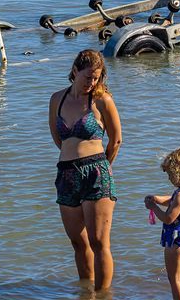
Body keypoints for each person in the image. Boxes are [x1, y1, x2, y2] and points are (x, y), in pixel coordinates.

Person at [50, 49, 123, 293]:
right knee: (78, 243)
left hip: (96, 172)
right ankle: (86, 293)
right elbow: (57, 138)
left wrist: (102, 166)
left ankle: (103, 295)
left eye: (96, 78)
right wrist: (73, 157)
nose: (91, 83)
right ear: (74, 71)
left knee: (99, 241)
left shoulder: (102, 100)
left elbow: (116, 141)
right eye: (87, 77)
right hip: (66, 173)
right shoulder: (56, 99)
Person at [144, 147, 180, 300]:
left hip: (175, 242)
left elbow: (168, 218)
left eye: (170, 174)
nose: (169, 178)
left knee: (174, 279)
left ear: (179, 173)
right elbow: (173, 201)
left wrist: (153, 207)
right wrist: (157, 199)